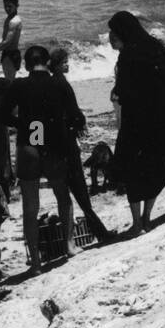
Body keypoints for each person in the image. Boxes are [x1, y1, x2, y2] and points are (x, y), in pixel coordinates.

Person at [107, 11, 165, 236]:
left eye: (114, 32)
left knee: (133, 173)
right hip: (162, 121)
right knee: (156, 169)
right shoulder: (156, 48)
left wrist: (119, 94)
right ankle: (148, 218)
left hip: (136, 123)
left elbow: (123, 90)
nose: (113, 36)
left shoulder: (127, 56)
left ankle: (137, 224)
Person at [2, 45, 83, 271]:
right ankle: (69, 245)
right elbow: (77, 116)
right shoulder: (58, 82)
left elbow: (2, 114)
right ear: (47, 62)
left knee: (30, 206)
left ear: (26, 65)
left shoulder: (19, 85)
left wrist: (23, 124)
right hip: (53, 145)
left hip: (29, 145)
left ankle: (36, 262)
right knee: (62, 196)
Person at [49, 46, 110, 243]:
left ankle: (75, 238)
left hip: (56, 145)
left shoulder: (52, 83)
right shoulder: (63, 84)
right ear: (58, 65)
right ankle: (99, 231)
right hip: (68, 143)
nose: (68, 65)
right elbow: (74, 113)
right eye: (65, 62)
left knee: (65, 193)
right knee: (80, 191)